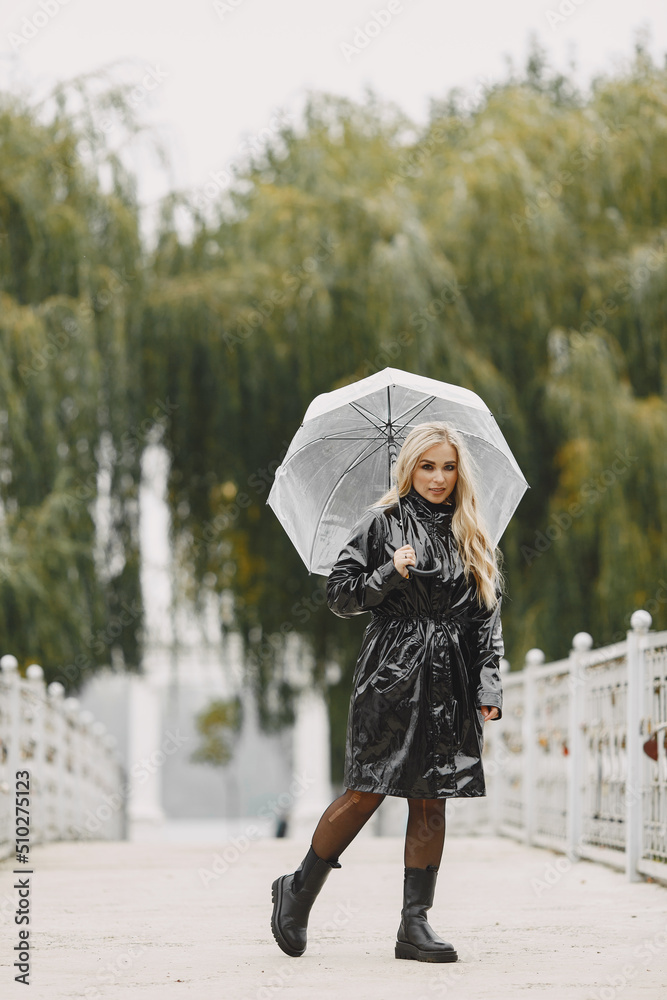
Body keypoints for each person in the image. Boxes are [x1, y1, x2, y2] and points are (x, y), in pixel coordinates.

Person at [270, 421, 504, 963]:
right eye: (428, 466)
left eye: (448, 467)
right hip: (391, 674)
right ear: (410, 468)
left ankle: (413, 925)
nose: (439, 478)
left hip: (453, 680)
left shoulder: (473, 533)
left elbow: (487, 622)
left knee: (433, 799)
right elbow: (340, 595)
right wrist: (389, 573)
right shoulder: (382, 524)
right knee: (366, 789)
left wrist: (489, 687)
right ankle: (299, 889)